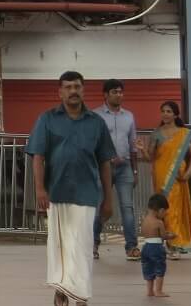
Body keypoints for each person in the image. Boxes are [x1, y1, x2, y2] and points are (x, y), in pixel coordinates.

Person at [27, 70, 115, 306]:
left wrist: (109, 199)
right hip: (56, 193)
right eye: (68, 87)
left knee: (82, 247)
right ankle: (62, 292)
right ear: (60, 92)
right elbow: (37, 156)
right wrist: (39, 190)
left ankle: (80, 297)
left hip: (86, 194)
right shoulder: (47, 119)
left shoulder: (96, 123)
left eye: (77, 86)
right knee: (60, 247)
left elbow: (105, 161)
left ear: (83, 90)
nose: (73, 91)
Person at [94, 78, 140, 261]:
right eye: (114, 92)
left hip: (125, 167)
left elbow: (133, 145)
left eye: (121, 92)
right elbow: (92, 142)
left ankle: (131, 247)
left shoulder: (129, 116)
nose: (119, 95)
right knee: (98, 208)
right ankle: (93, 244)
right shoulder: (95, 115)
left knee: (127, 208)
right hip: (101, 167)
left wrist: (135, 171)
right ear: (105, 95)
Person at [142, 100, 191, 257]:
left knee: (175, 209)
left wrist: (188, 173)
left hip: (178, 177)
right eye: (163, 111)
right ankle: (168, 243)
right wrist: (142, 149)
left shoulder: (184, 133)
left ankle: (175, 244)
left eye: (168, 111)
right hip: (161, 175)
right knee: (163, 209)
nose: (165, 114)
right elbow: (150, 157)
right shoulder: (156, 133)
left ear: (175, 114)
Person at [138, 193, 172, 299]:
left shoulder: (144, 220)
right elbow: (164, 236)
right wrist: (171, 236)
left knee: (148, 268)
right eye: (165, 212)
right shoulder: (159, 222)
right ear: (161, 210)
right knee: (159, 269)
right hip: (156, 248)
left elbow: (143, 232)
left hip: (146, 247)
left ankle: (149, 290)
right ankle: (158, 291)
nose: (165, 214)